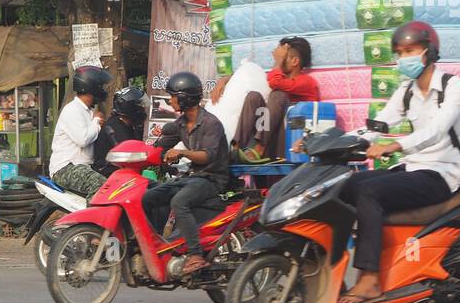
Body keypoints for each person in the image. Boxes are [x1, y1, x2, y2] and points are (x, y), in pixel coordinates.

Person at [339, 21, 460, 303]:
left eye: (410, 50)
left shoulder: (454, 86)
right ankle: (335, 271)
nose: (403, 58)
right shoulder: (407, 90)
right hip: (413, 168)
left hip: (441, 174)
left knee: (370, 191)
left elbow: (438, 129)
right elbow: (377, 124)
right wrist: (326, 141)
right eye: (399, 52)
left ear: (429, 51)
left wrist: (397, 144)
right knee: (344, 185)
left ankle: (370, 278)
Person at [144, 72, 231, 275]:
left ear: (184, 98)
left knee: (179, 202)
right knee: (148, 196)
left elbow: (208, 157)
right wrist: (141, 154)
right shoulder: (181, 123)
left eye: (173, 96)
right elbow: (159, 147)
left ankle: (195, 255)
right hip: (192, 178)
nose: (170, 100)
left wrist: (182, 152)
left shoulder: (211, 123)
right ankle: (160, 245)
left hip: (212, 179)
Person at [219, 37, 319, 163]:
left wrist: (278, 63)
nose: (278, 60)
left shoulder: (306, 82)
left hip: (292, 143)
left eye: (283, 57)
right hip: (270, 138)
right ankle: (236, 147)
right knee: (253, 97)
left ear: (295, 61)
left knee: (278, 95)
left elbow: (275, 83)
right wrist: (225, 80)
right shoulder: (278, 79)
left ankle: (259, 147)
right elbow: (257, 79)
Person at [49, 66, 112, 188]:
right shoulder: (73, 110)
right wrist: (97, 122)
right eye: (100, 87)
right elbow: (83, 139)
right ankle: (91, 208)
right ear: (92, 87)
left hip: (83, 167)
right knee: (100, 185)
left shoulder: (87, 111)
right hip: (65, 168)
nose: (103, 90)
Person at [92, 86, 146, 176]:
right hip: (108, 175)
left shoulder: (129, 125)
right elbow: (129, 155)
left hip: (121, 174)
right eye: (139, 105)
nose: (142, 108)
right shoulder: (115, 126)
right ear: (130, 106)